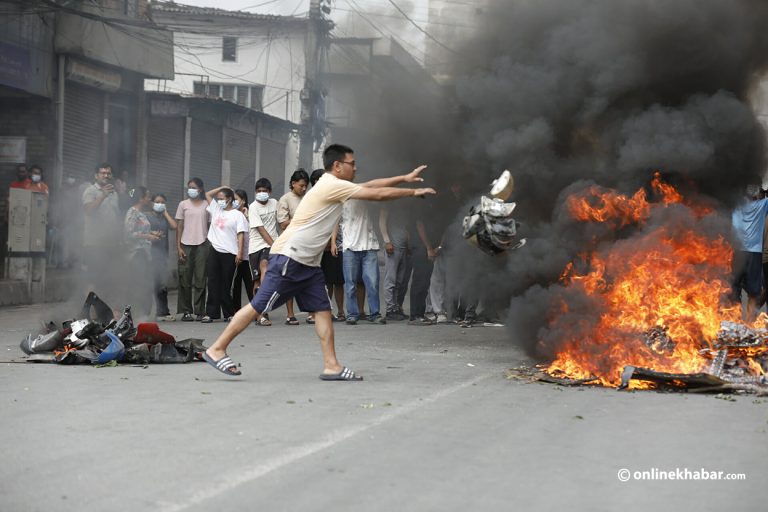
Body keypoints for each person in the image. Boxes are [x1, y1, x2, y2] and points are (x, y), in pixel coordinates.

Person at [201, 143, 435, 378]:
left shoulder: (336, 185)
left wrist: (404, 178)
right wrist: (413, 192)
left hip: (309, 264)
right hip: (290, 258)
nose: (355, 168)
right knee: (258, 306)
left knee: (323, 310)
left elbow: (370, 185)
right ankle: (217, 349)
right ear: (337, 165)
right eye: (351, 164)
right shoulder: (331, 185)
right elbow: (377, 194)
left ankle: (331, 365)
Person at [201, 186, 248, 323]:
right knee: (213, 282)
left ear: (229, 200)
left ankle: (228, 313)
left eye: (222, 199)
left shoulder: (237, 215)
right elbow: (207, 194)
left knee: (226, 284)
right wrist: (223, 187)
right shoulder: (216, 210)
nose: (219, 201)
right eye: (218, 199)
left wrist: (239, 253)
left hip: (230, 252)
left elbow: (241, 234)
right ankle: (211, 313)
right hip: (214, 250)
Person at [340, 198, 385, 324]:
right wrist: (333, 241)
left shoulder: (368, 198)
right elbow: (334, 221)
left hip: (370, 245)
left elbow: (379, 206)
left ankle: (375, 313)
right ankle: (352, 314)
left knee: (372, 283)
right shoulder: (342, 198)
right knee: (350, 284)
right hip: (350, 246)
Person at [82, 163, 122, 300]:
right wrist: (102, 196)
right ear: (96, 175)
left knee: (109, 279)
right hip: (94, 243)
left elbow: (115, 217)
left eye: (108, 173)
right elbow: (88, 210)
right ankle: (88, 311)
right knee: (93, 279)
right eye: (103, 173)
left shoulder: (114, 193)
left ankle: (103, 311)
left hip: (110, 243)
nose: (106, 175)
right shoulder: (90, 191)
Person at [277, 168, 309, 325]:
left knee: (308, 279)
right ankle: (290, 314)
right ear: (293, 183)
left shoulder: (308, 199)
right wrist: (300, 218)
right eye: (301, 185)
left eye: (305, 186)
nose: (303, 189)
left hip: (307, 243)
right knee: (290, 279)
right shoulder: (285, 199)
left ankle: (311, 312)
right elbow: (283, 224)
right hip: (290, 244)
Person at [175, 178, 210, 322]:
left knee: (201, 278)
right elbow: (179, 226)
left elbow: (210, 225)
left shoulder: (206, 205)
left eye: (194, 187)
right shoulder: (183, 204)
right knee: (185, 278)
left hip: (202, 244)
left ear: (201, 189)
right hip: (185, 244)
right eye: (189, 187)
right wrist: (178, 247)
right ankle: (186, 311)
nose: (191, 190)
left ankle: (200, 310)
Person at [313, 169, 345, 321]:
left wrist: (332, 243)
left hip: (334, 246)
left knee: (338, 280)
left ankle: (340, 311)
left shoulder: (333, 197)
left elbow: (335, 220)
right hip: (319, 247)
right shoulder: (312, 199)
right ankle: (327, 310)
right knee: (326, 282)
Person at [732, 184, 768, 320]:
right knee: (753, 291)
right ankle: (750, 323)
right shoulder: (762, 205)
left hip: (737, 252)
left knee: (734, 287)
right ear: (756, 195)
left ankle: (733, 321)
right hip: (754, 253)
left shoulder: (734, 205)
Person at [248, 177, 279, 326]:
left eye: (264, 191)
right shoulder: (253, 207)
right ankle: (259, 314)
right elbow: (261, 229)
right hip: (256, 247)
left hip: (270, 246)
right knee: (256, 281)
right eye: (259, 191)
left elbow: (281, 221)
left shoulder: (275, 203)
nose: (262, 193)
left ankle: (264, 297)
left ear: (270, 192)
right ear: (255, 192)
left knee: (265, 265)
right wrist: (274, 245)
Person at [124, 187, 158, 319]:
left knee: (145, 282)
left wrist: (152, 234)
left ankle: (143, 313)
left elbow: (141, 230)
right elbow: (128, 234)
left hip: (144, 252)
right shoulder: (132, 212)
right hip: (136, 253)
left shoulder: (141, 213)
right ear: (141, 198)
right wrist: (147, 236)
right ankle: (135, 313)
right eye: (147, 196)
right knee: (138, 283)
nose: (149, 199)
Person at [147, 193, 177, 321]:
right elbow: (141, 231)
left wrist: (165, 213)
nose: (160, 204)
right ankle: (149, 312)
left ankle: (163, 311)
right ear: (152, 203)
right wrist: (152, 234)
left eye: (162, 202)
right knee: (152, 283)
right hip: (150, 254)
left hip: (163, 254)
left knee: (162, 284)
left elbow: (174, 226)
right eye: (157, 202)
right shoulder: (146, 217)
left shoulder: (165, 218)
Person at [379, 205, 412, 321]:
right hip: (393, 247)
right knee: (391, 280)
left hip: (403, 248)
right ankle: (390, 310)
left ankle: (396, 307)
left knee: (399, 281)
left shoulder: (405, 205)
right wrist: (387, 241)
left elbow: (406, 228)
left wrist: (408, 244)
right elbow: (382, 222)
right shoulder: (389, 203)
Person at [231, 189, 254, 311]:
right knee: (236, 285)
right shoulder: (231, 214)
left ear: (243, 201)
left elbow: (256, 230)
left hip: (248, 255)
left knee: (251, 284)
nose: (234, 202)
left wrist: (248, 216)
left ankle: (256, 311)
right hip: (235, 254)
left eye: (236, 200)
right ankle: (236, 311)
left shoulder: (250, 213)